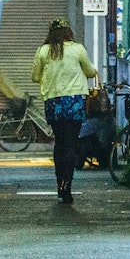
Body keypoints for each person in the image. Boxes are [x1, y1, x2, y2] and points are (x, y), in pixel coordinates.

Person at [31, 17, 98, 204]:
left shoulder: (44, 51)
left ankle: (59, 184)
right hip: (75, 100)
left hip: (53, 101)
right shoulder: (78, 49)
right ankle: (67, 186)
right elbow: (90, 71)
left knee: (59, 143)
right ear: (69, 32)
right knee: (71, 143)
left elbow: (35, 76)